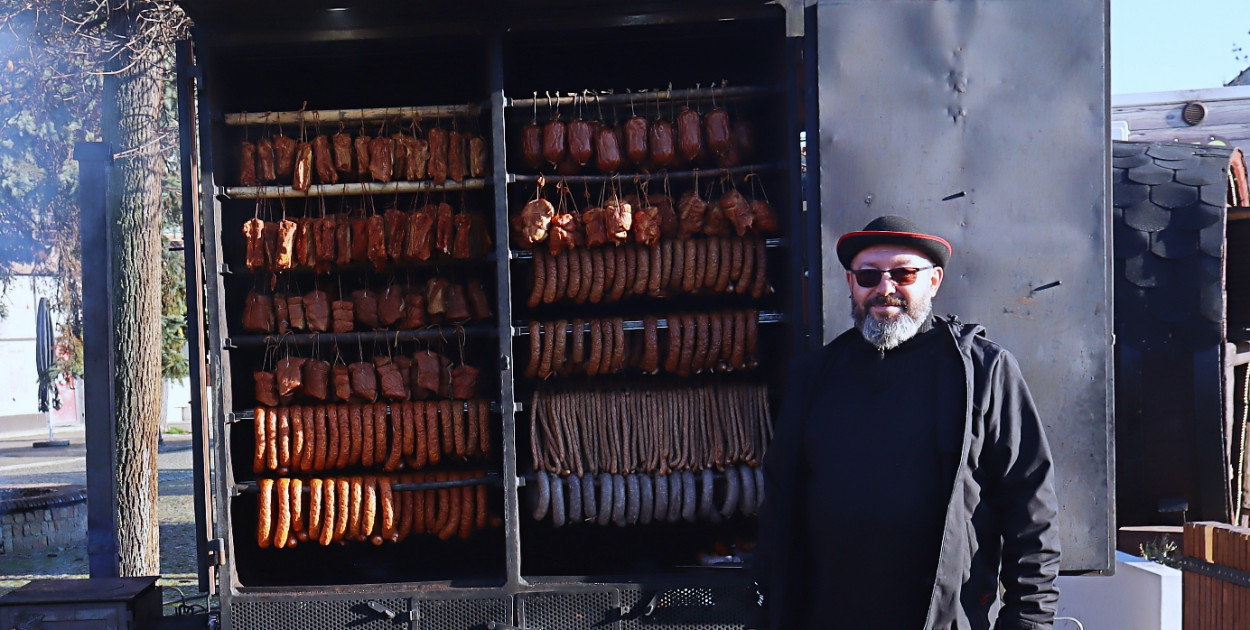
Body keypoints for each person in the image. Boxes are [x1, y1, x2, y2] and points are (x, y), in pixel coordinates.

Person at [753, 215, 1061, 630]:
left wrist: (1030, 620)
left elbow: (1031, 505)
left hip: (942, 620)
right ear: (850, 284)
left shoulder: (984, 371)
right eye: (869, 275)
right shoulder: (815, 375)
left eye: (903, 273)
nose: (885, 288)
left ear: (933, 282)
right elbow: (779, 506)